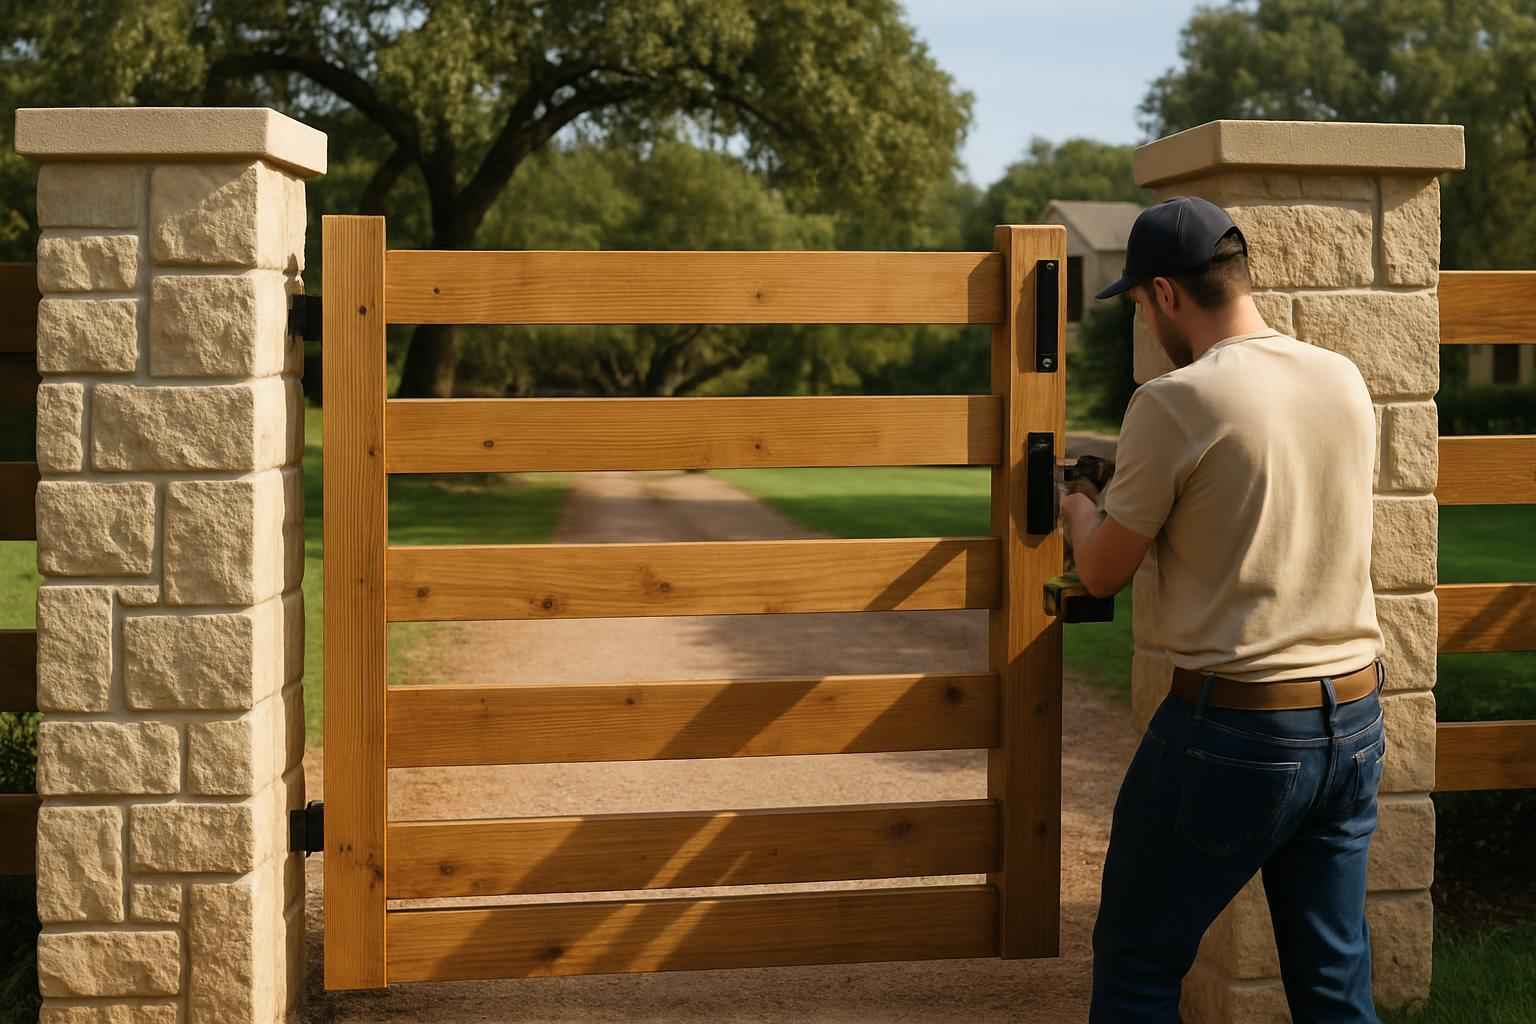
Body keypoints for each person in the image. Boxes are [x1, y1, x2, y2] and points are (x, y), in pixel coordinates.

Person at [1062, 196, 1388, 1023]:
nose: (1145, 323)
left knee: (1137, 965)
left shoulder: (1174, 400)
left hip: (1238, 731)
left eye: (1141, 306)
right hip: (1353, 719)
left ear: (1167, 294)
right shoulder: (1341, 377)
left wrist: (1078, 503)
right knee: (1333, 984)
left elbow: (1101, 571)